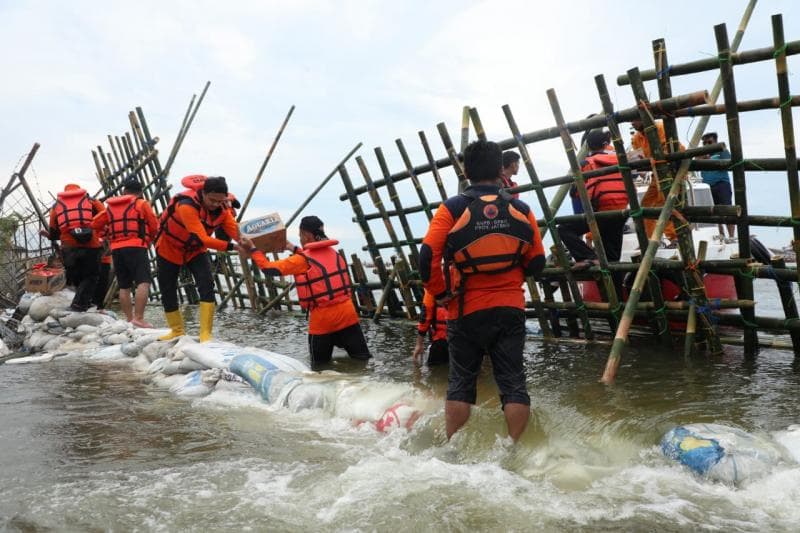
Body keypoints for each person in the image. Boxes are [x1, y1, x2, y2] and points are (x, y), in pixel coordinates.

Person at [420, 139, 546, 442]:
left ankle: (452, 447)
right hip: (510, 307)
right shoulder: (520, 208)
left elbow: (426, 257)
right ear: (499, 169)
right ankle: (513, 448)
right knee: (513, 383)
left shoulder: (451, 208)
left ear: (466, 171)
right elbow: (538, 261)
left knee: (461, 382)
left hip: (464, 309)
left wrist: (439, 294)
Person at [240, 216, 371, 370]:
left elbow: (269, 268)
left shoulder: (301, 261)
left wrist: (254, 249)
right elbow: (313, 257)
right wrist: (291, 247)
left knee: (319, 369)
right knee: (363, 361)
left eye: (300, 235)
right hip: (348, 316)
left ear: (306, 235)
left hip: (323, 322)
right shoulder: (334, 253)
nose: (300, 239)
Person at [156, 175, 243, 341]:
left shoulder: (223, 209)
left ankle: (205, 334)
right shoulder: (186, 206)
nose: (215, 205)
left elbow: (237, 233)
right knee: (167, 288)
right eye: (212, 200)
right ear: (202, 193)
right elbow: (203, 238)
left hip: (195, 250)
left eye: (220, 201)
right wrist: (233, 247)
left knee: (206, 283)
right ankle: (176, 330)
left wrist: (250, 245)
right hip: (170, 247)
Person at [92, 178, 159, 327]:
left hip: (117, 249)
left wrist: (106, 235)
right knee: (143, 282)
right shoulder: (142, 204)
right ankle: (139, 318)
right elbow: (154, 225)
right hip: (137, 246)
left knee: (124, 286)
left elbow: (94, 224)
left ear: (124, 192)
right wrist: (148, 241)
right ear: (140, 192)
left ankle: (129, 320)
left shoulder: (110, 208)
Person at [558, 129, 629, 270]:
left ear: (588, 147)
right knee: (612, 261)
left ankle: (588, 257)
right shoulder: (621, 160)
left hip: (599, 214)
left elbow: (576, 193)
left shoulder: (586, 163)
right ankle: (616, 290)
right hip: (620, 214)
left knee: (564, 229)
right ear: (606, 144)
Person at [47, 183, 106, 312]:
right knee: (91, 275)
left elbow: (53, 231)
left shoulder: (57, 206)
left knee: (76, 275)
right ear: (80, 191)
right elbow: (105, 216)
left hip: (68, 246)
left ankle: (82, 303)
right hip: (91, 244)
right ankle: (80, 304)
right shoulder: (91, 201)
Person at [630, 119, 682, 243]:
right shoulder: (637, 138)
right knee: (646, 205)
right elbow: (639, 157)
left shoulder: (661, 128)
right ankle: (651, 239)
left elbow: (668, 149)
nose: (632, 123)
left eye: (634, 120)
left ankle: (674, 238)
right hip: (656, 173)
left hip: (672, 170)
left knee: (664, 202)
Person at [699, 132, 736, 241]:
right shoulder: (700, 154)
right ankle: (721, 234)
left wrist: (718, 150)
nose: (706, 145)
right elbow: (696, 162)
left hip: (722, 184)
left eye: (709, 142)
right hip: (707, 186)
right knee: (715, 212)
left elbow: (730, 162)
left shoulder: (721, 152)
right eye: (704, 143)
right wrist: (703, 157)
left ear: (716, 142)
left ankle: (731, 236)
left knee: (727, 210)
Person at [412, 289, 449, 366]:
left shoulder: (432, 287)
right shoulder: (465, 283)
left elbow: (425, 317)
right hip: (461, 341)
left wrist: (419, 344)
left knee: (435, 371)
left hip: (439, 342)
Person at [92, 237, 112, 310]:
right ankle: (95, 304)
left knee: (102, 283)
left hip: (104, 261)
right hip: (94, 260)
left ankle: (98, 305)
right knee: (98, 283)